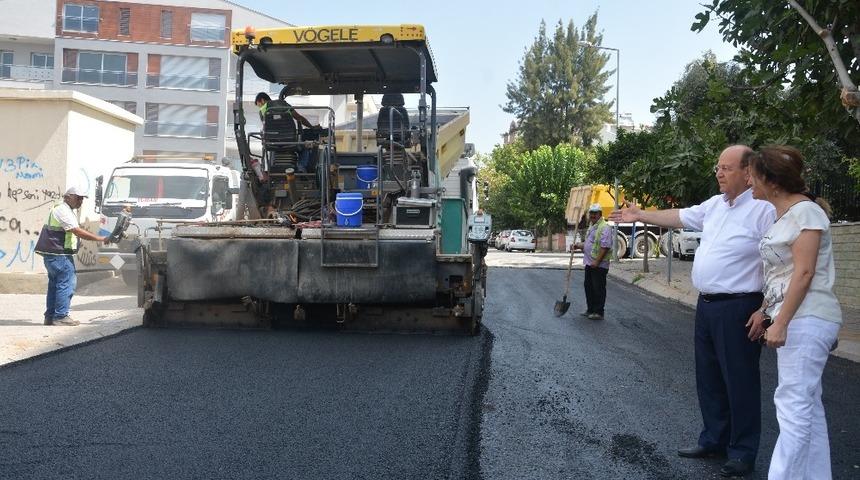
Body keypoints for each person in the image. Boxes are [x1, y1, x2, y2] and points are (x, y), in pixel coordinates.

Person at [609, 145, 776, 477]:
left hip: (740, 306)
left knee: (740, 381)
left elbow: (777, 261)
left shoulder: (763, 210)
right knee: (709, 378)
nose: (719, 173)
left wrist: (766, 308)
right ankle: (714, 439)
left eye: (726, 168)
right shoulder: (715, 205)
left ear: (748, 172)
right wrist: (640, 215)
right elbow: (679, 216)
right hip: (707, 305)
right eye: (718, 167)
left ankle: (742, 451)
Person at [745, 145, 842, 480]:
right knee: (807, 407)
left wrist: (781, 322)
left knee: (793, 406)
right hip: (797, 317)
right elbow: (782, 276)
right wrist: (765, 311)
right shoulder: (787, 215)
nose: (749, 181)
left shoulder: (806, 213)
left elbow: (804, 273)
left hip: (807, 318)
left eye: (753, 176)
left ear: (772, 181)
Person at [35, 186, 109, 326]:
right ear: (68, 197)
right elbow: (76, 231)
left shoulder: (64, 209)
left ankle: (50, 317)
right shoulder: (63, 210)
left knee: (55, 285)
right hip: (59, 254)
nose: (80, 201)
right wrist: (100, 239)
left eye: (82, 199)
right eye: (78, 198)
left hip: (54, 254)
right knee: (67, 283)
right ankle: (61, 316)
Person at [255, 92, 319, 173]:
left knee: (272, 149)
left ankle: (271, 170)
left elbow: (267, 128)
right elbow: (299, 118)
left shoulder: (262, 111)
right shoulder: (284, 105)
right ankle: (301, 167)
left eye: (259, 105)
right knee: (305, 146)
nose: (260, 107)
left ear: (262, 100)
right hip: (290, 141)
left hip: (272, 143)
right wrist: (312, 127)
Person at [572, 203, 612, 320]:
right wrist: (577, 245)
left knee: (598, 288)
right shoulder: (592, 226)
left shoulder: (605, 227)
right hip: (590, 263)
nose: (593, 215)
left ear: (600, 214)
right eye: (591, 213)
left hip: (599, 265)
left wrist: (597, 261)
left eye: (595, 213)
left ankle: (598, 312)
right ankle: (590, 309)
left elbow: (605, 247)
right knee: (588, 287)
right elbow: (589, 244)